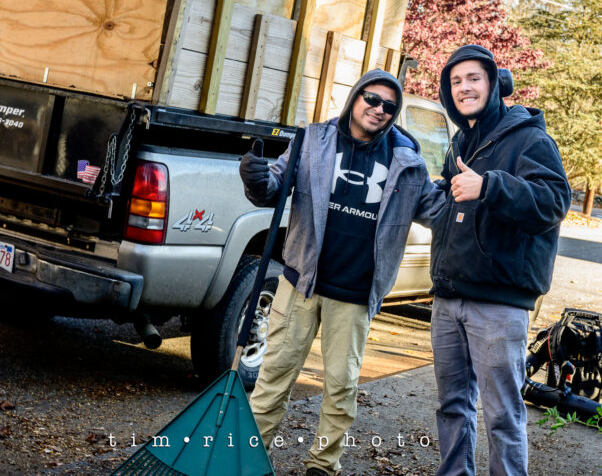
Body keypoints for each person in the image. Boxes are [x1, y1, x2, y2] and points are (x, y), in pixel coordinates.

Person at [239, 69, 442, 476]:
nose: (379, 109)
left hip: (354, 293)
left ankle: (323, 465)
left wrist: (464, 192)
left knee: (341, 388)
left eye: (389, 106)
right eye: (372, 99)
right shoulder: (313, 140)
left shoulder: (407, 161)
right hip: (300, 283)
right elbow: (275, 184)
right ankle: (248, 461)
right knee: (273, 379)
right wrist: (257, 181)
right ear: (355, 98)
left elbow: (436, 210)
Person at [430, 44, 571, 476]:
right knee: (452, 406)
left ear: (494, 84)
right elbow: (450, 205)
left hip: (498, 304)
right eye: (456, 81)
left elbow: (554, 201)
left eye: (474, 78)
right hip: (449, 297)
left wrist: (490, 186)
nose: (464, 88)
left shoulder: (529, 138)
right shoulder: (461, 141)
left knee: (502, 414)